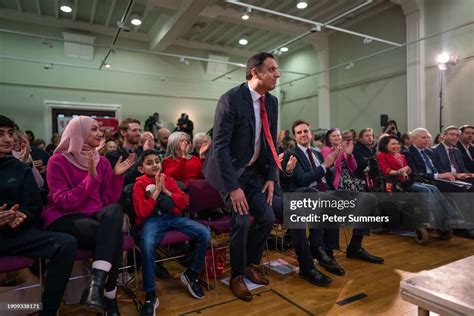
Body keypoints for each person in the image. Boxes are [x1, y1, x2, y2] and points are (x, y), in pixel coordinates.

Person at [203, 52, 281, 301]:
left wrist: (271, 176)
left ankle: (250, 264)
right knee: (241, 220)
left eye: (277, 69)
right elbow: (220, 147)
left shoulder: (272, 102)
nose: (277, 74)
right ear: (254, 72)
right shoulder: (231, 99)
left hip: (254, 172)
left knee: (268, 217)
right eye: (271, 69)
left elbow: (270, 142)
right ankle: (236, 275)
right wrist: (233, 187)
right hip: (229, 172)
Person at [44, 116, 136, 314]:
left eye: (99, 129)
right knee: (113, 237)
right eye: (93, 129)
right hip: (65, 217)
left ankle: (96, 285)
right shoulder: (57, 161)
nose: (99, 133)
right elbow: (64, 202)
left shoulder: (100, 161)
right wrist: (90, 179)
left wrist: (117, 177)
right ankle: (109, 296)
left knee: (115, 210)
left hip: (94, 215)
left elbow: (108, 201)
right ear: (79, 132)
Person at [0, 115, 76, 316]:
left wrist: (22, 215)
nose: (7, 139)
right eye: (0, 134)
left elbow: (34, 205)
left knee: (66, 243)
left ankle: (48, 310)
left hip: (17, 234)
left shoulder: (19, 167)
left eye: (9, 134)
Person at [133, 150, 209, 316]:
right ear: (141, 168)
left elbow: (184, 203)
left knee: (204, 232)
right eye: (149, 162)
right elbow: (141, 212)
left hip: (172, 217)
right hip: (152, 220)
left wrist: (166, 191)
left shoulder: (168, 179)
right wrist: (155, 193)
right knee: (146, 245)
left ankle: (191, 274)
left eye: (156, 161)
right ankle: (151, 294)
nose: (154, 165)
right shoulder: (139, 184)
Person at [377, 135, 460, 227]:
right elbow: (386, 170)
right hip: (396, 184)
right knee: (426, 190)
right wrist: (400, 172)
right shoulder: (382, 156)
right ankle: (439, 218)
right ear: (385, 146)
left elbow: (409, 170)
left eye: (397, 144)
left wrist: (405, 170)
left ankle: (450, 215)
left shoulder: (401, 156)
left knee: (433, 187)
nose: (396, 146)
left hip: (409, 180)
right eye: (393, 144)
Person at [106, 118, 142, 185]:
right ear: (123, 133)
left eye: (139, 130)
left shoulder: (142, 153)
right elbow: (116, 182)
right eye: (134, 130)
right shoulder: (112, 156)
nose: (139, 134)